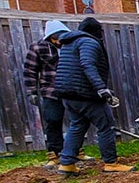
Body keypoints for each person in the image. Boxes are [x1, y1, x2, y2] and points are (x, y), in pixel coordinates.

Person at [53, 17, 134, 174]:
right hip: (84, 93)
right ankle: (111, 163)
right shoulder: (89, 42)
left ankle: (67, 163)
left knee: (77, 125)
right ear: (97, 32)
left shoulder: (70, 43)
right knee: (106, 125)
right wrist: (101, 88)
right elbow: (87, 64)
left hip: (68, 94)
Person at [22, 20, 92, 166]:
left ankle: (76, 151)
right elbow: (30, 70)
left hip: (72, 90)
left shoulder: (72, 45)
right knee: (53, 120)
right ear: (50, 37)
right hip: (51, 90)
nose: (59, 41)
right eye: (55, 38)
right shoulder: (38, 47)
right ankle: (54, 154)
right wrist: (31, 91)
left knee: (78, 121)